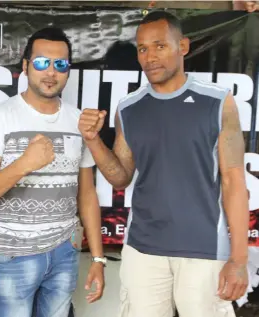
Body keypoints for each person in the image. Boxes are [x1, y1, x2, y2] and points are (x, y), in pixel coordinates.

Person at [78, 10, 250, 317]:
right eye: (142, 49)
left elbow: (234, 182)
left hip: (203, 251)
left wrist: (238, 259)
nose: (149, 56)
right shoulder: (129, 108)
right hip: (143, 250)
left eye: (160, 45)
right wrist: (93, 139)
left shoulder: (218, 103)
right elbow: (120, 177)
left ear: (182, 46)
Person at [0, 27, 105, 317]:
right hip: (15, 254)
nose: (51, 72)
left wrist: (97, 258)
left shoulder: (77, 120)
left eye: (61, 64)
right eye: (42, 62)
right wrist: (24, 164)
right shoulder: (2, 116)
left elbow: (87, 193)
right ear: (25, 66)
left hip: (64, 252)